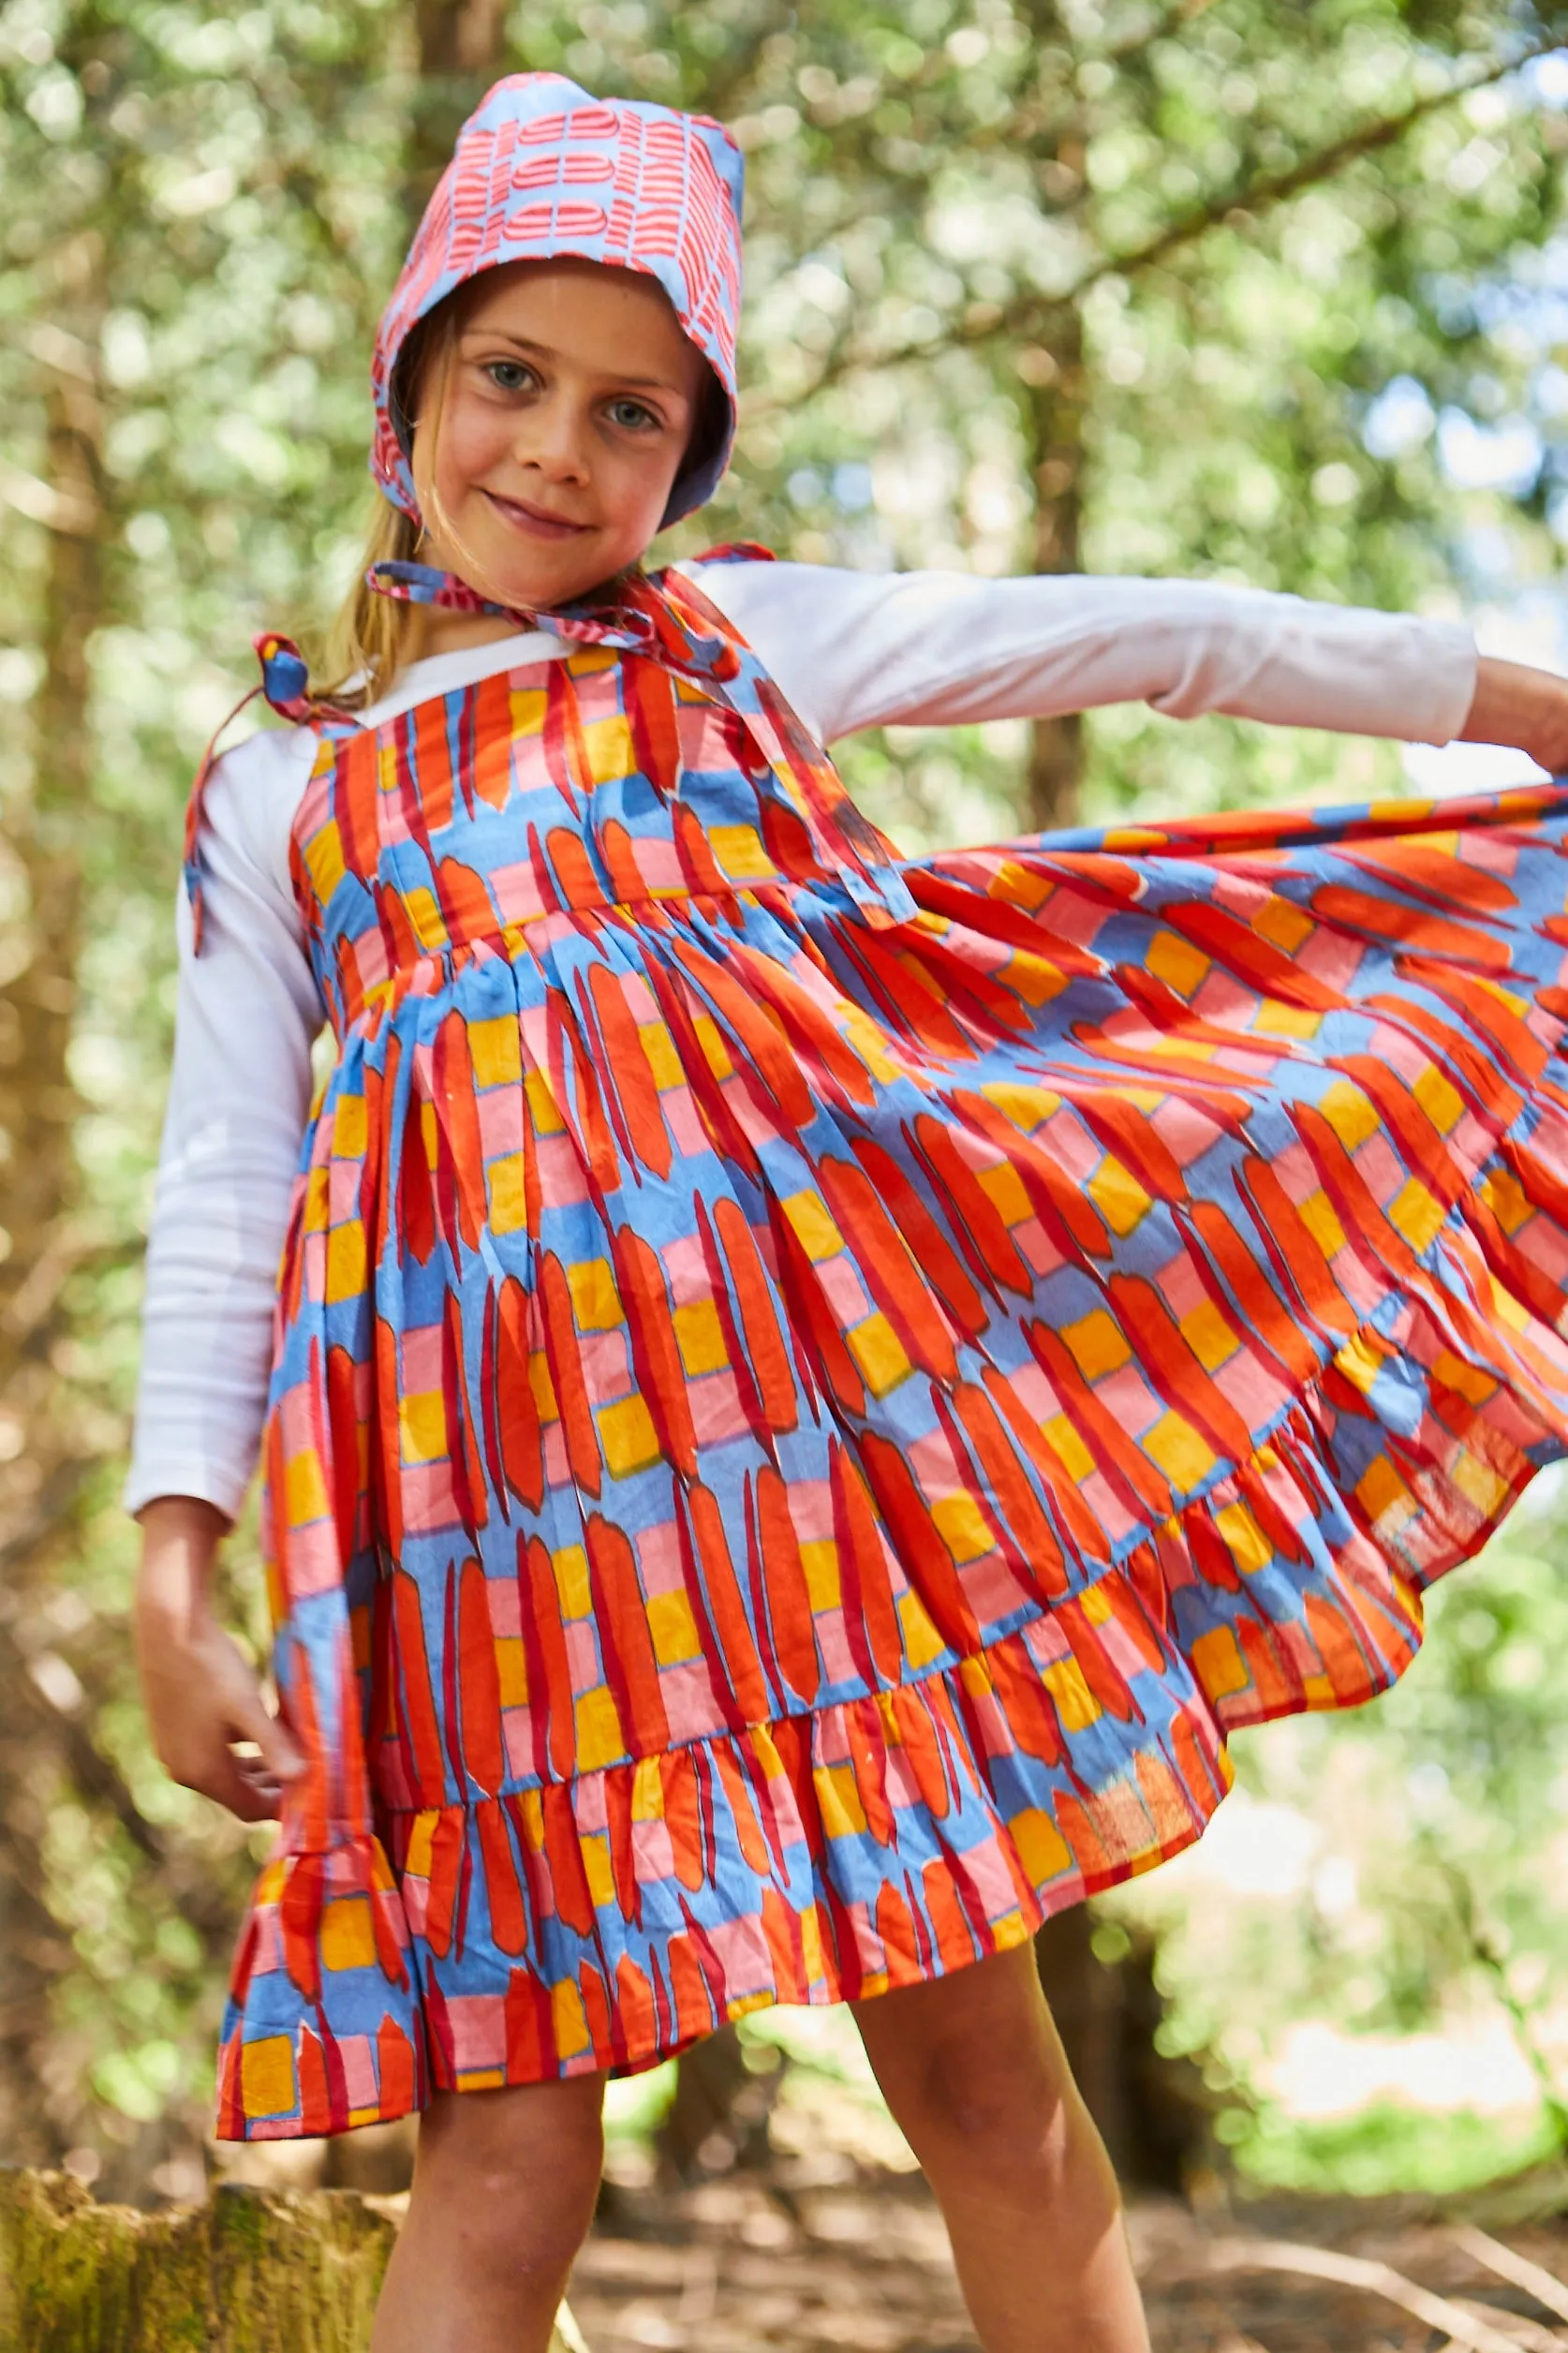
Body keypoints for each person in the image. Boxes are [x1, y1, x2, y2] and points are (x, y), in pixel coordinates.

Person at [128, 70, 1568, 2353]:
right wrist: (177, 1559)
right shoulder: (285, 778)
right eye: (510, 375)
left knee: (979, 2075)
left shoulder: (729, 654)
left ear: (685, 464)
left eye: (631, 412)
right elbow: (227, 1178)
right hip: (491, 1541)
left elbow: (1152, 631)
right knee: (503, 2160)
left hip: (818, 1504)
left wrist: (1515, 695)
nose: (554, 451)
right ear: (412, 383)